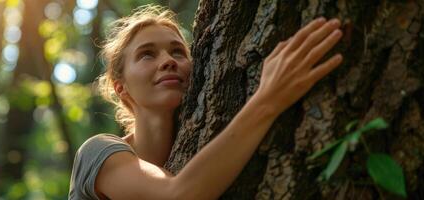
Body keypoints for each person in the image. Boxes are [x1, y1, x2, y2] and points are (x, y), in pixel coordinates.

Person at [69, 4, 343, 200]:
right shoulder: (98, 153)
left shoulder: (203, 144)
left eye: (178, 51)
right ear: (121, 87)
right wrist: (269, 97)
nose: (168, 61)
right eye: (147, 55)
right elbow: (178, 195)